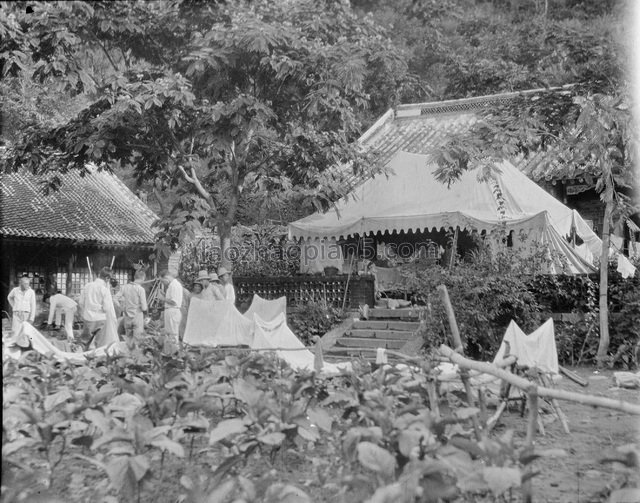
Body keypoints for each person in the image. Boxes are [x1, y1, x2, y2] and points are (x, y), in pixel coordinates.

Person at [78, 267, 118, 349]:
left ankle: (79, 356)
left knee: (84, 342)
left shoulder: (87, 286)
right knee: (100, 344)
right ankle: (96, 359)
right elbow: (107, 308)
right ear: (107, 278)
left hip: (88, 317)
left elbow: (81, 303)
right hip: (100, 319)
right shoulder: (104, 289)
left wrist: (85, 312)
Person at [119, 270, 148, 347]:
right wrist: (146, 315)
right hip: (137, 315)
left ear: (135, 277)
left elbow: (115, 298)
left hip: (127, 316)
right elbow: (144, 307)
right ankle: (135, 356)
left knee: (128, 338)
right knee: (138, 340)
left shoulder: (125, 287)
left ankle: (128, 355)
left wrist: (122, 308)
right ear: (143, 278)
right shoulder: (141, 289)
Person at [160, 270, 183, 342]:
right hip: (170, 311)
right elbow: (171, 299)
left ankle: (174, 351)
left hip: (173, 311)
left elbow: (174, 302)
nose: (163, 283)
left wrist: (162, 298)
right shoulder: (171, 285)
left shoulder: (174, 285)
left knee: (173, 334)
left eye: (162, 281)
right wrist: (164, 295)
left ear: (166, 277)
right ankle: (170, 351)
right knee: (169, 334)